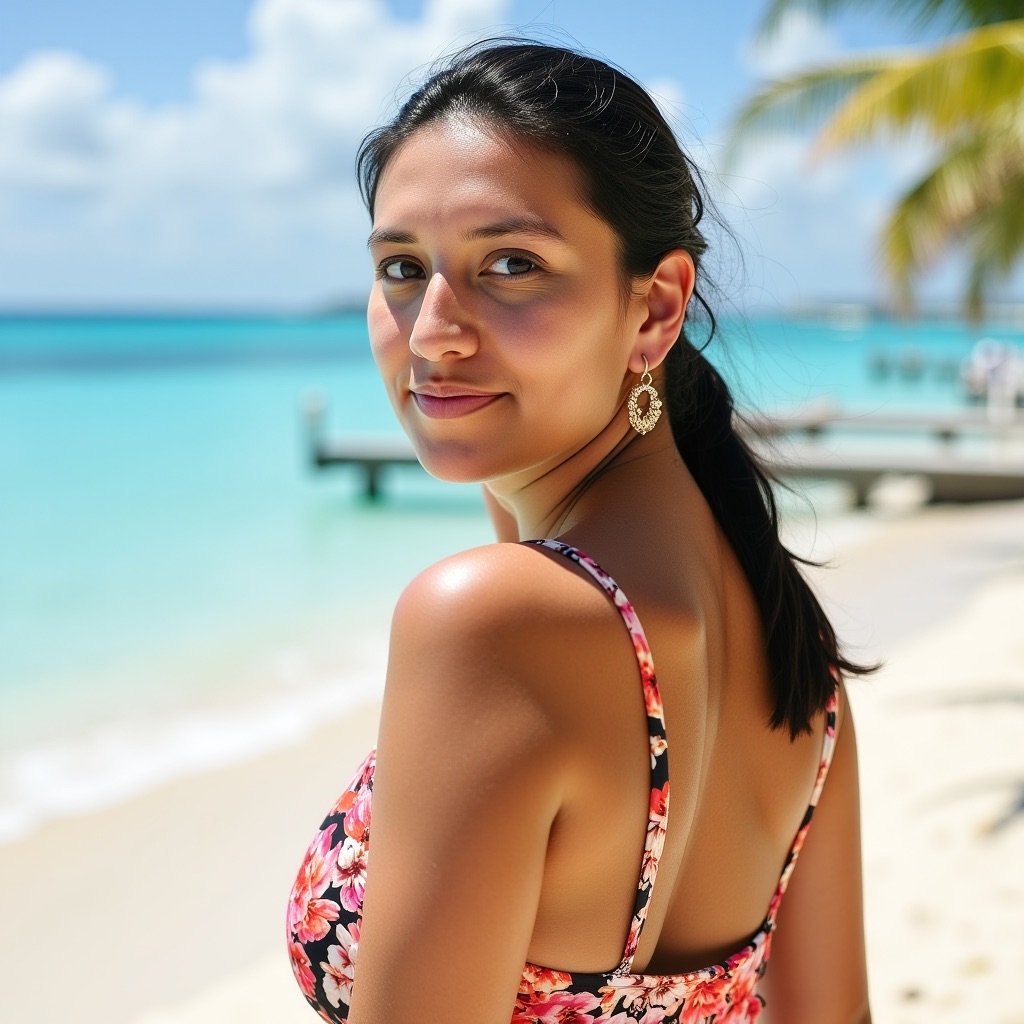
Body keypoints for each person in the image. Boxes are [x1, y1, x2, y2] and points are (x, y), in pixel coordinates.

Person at [287, 39, 873, 1024]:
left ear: (654, 309)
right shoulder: (799, 674)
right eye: (400, 266)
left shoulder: (490, 625)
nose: (430, 327)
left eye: (510, 263)